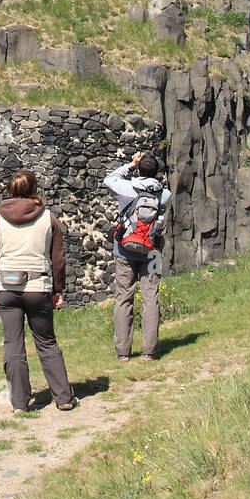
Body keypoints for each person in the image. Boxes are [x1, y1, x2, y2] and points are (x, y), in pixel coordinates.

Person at [0, 169, 78, 412]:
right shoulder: (48, 218)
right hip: (38, 286)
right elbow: (58, 259)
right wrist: (58, 290)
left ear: (10, 191)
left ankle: (19, 403)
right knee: (46, 342)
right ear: (34, 188)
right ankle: (64, 398)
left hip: (6, 286)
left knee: (12, 344)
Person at [104, 151, 171, 361]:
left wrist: (130, 165)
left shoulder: (125, 188)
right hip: (152, 252)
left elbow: (109, 179)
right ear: (157, 172)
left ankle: (123, 352)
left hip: (125, 250)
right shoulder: (164, 194)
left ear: (140, 169)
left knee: (124, 296)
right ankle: (150, 351)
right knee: (151, 297)